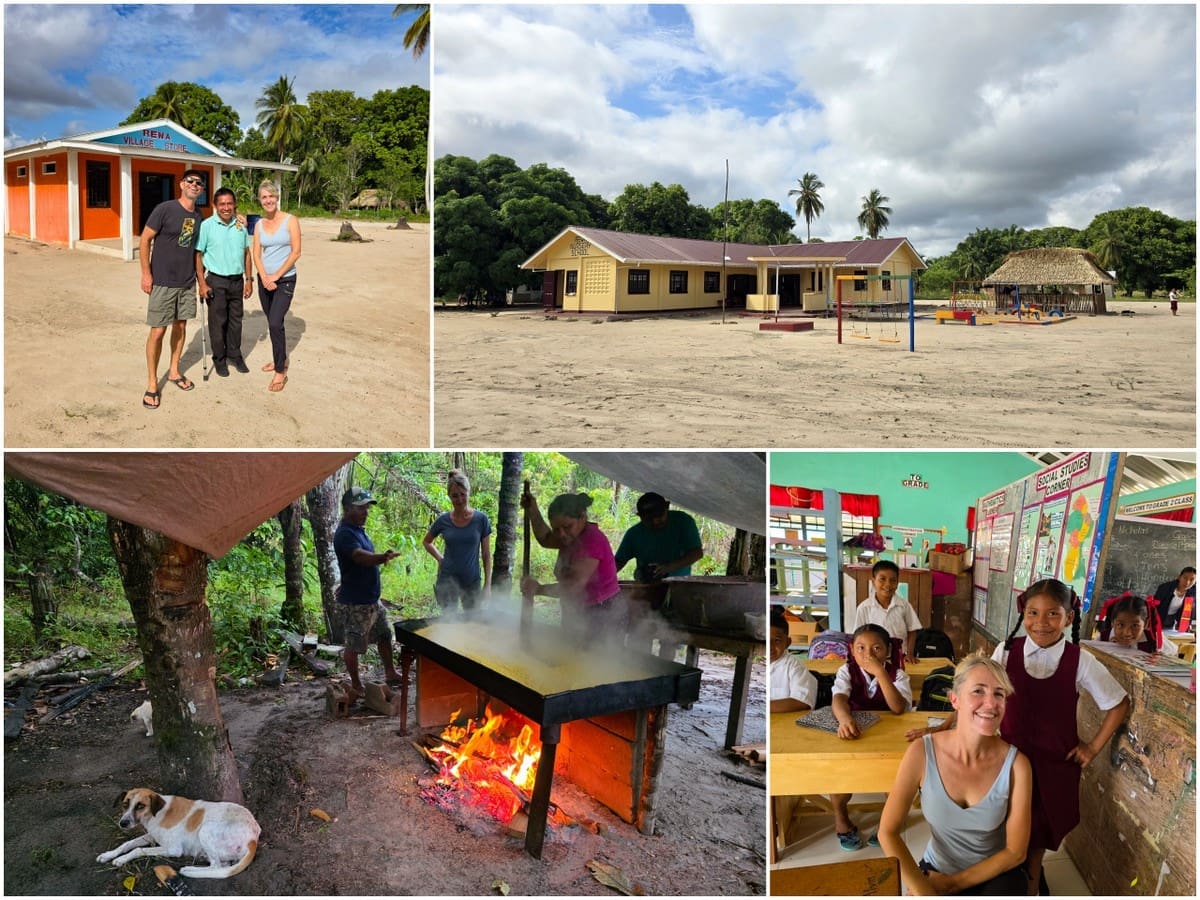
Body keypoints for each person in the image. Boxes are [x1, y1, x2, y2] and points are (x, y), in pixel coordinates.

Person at [878, 655, 1033, 896]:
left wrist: (952, 885)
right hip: (937, 868)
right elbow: (887, 832)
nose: (991, 703)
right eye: (978, 691)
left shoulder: (1017, 766)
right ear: (955, 699)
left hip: (993, 872)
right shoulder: (922, 751)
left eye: (999, 694)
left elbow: (1015, 852)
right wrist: (923, 890)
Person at [830, 623, 912, 851]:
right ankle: (841, 818)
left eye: (876, 649)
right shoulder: (846, 671)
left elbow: (898, 708)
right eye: (861, 648)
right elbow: (838, 699)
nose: (868, 655)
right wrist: (845, 719)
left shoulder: (898, 674)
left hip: (888, 737)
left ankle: (887, 822)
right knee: (839, 777)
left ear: (887, 650)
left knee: (893, 781)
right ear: (851, 649)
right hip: (856, 733)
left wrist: (881, 673)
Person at [139, 169, 204, 409]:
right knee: (158, 331)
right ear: (181, 184)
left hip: (186, 282)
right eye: (190, 181)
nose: (194, 185)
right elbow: (145, 239)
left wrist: (200, 280)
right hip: (163, 282)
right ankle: (152, 382)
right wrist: (146, 273)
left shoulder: (199, 215)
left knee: (181, 326)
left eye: (199, 183)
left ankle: (174, 371)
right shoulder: (164, 209)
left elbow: (197, 248)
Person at [520, 491, 624, 638]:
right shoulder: (569, 537)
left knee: (592, 658)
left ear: (583, 517)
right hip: (577, 610)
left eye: (567, 526)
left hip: (602, 614)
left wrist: (539, 589)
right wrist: (533, 510)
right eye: (556, 529)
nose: (561, 534)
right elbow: (545, 538)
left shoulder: (592, 540)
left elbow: (572, 587)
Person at [334, 486, 405, 697]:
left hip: (372, 601)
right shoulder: (345, 534)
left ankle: (390, 673)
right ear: (347, 509)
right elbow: (359, 557)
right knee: (355, 645)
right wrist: (382, 557)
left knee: (384, 635)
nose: (366, 511)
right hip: (357, 603)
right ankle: (356, 684)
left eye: (367, 507)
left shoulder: (357, 529)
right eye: (361, 508)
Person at [194, 188, 252, 378]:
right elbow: (199, 254)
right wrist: (202, 284)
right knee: (218, 323)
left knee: (236, 322)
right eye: (222, 204)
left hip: (236, 281)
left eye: (229, 203)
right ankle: (219, 359)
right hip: (216, 281)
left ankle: (234, 355)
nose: (226, 207)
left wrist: (249, 280)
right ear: (215, 206)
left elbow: (246, 253)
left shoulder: (241, 226)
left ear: (234, 205)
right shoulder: (207, 226)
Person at [251, 180, 301, 392]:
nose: (268, 200)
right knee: (274, 325)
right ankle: (278, 358)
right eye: (264, 197)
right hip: (265, 280)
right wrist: (263, 276)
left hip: (285, 279)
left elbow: (296, 252)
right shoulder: (259, 224)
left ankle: (280, 371)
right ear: (260, 201)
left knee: (274, 322)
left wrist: (276, 276)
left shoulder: (290, 220)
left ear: (277, 198)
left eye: (271, 196)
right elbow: (255, 253)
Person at [422, 469, 493, 614]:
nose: (459, 500)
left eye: (462, 494)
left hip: (472, 580)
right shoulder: (443, 520)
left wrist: (488, 584)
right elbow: (427, 542)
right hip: (448, 580)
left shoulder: (481, 519)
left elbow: (486, 554)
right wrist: (440, 558)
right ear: (449, 496)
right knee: (449, 623)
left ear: (468, 492)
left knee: (473, 623)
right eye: (455, 496)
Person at [614, 492, 704, 583]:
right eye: (648, 519)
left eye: (659, 516)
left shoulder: (683, 522)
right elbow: (618, 562)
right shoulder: (633, 534)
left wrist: (669, 567)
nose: (655, 522)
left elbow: (697, 553)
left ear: (667, 507)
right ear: (640, 516)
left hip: (678, 585)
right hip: (646, 586)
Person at [854, 559, 922, 660]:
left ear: (898, 583)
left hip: (900, 657)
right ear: (873, 581)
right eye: (882, 579)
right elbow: (858, 636)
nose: (888, 584)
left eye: (893, 580)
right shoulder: (864, 608)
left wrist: (910, 654)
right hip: (874, 658)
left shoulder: (904, 606)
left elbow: (912, 630)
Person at [769, 608, 817, 713]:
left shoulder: (795, 666)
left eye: (777, 641)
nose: (770, 647)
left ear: (787, 642)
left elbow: (802, 701)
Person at [1098, 592, 1177, 656]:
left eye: (1135, 626)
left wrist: (1161, 659)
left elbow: (1174, 652)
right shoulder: (1102, 639)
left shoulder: (1154, 640)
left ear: (1146, 624)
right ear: (1112, 623)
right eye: (1120, 625)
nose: (1127, 633)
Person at [1154, 566, 1196, 631]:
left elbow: (1190, 610)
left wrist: (1187, 624)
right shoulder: (1165, 588)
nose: (1187, 582)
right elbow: (1154, 606)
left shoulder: (1193, 592)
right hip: (1158, 616)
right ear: (1179, 577)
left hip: (1172, 619)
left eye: (1192, 579)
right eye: (1185, 578)